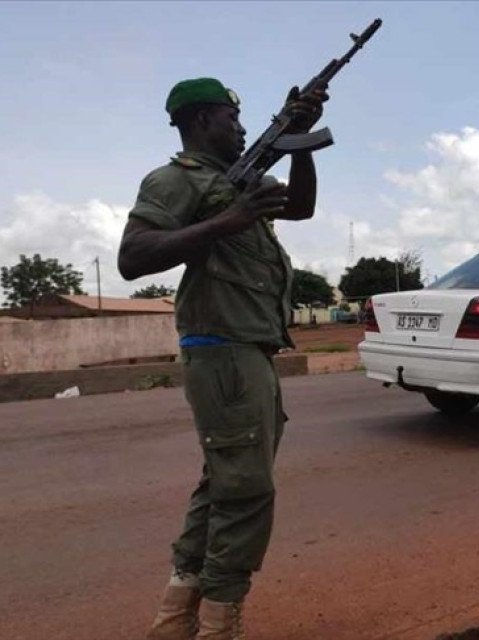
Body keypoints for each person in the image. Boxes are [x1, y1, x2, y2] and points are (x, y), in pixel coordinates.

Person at [118, 77, 327, 639]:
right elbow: (132, 257)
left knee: (226, 482)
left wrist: (300, 142)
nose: (241, 128)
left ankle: (175, 617)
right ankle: (218, 623)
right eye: (232, 119)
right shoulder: (173, 180)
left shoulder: (236, 179)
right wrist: (227, 221)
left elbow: (301, 207)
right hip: (223, 350)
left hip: (248, 348)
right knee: (247, 491)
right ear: (202, 120)